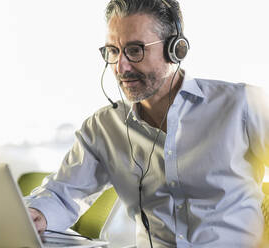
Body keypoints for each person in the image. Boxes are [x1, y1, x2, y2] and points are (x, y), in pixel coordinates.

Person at [24, 0, 269, 247]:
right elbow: (62, 193)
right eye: (113, 51)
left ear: (176, 49)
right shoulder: (103, 128)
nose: (121, 66)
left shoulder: (242, 105)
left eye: (135, 50)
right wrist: (38, 215)